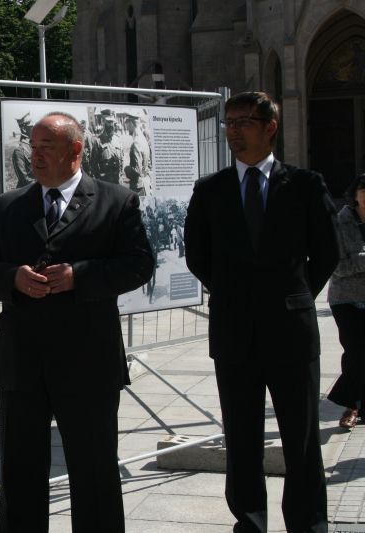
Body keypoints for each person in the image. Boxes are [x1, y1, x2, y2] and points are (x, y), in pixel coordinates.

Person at [0, 112, 154, 532]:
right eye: (33, 146)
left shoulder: (115, 201)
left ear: (75, 150)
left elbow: (138, 265)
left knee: (94, 472)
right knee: (20, 472)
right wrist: (12, 278)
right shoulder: (9, 205)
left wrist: (79, 276)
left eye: (46, 147)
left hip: (89, 360)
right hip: (23, 360)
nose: (35, 155)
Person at [184, 91, 339, 533]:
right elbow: (197, 255)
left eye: (244, 122)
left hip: (291, 331)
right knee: (241, 436)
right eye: (229, 122)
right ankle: (250, 522)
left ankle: (307, 523)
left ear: (270, 127)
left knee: (301, 437)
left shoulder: (305, 185)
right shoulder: (210, 190)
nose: (233, 131)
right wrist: (234, 294)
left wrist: (294, 296)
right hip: (234, 331)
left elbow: (327, 251)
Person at [327, 174, 365, 429]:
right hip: (346, 299)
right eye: (364, 191)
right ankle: (350, 405)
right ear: (355, 195)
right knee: (356, 352)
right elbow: (339, 266)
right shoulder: (340, 221)